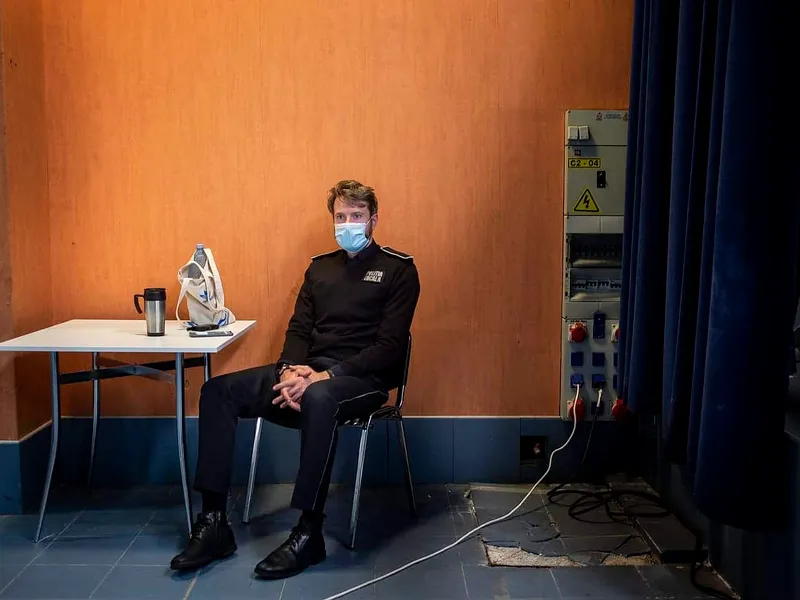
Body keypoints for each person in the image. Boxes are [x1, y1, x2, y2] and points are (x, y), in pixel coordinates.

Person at [170, 180, 421, 579]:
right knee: (217, 391)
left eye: (357, 216)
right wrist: (289, 370)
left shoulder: (398, 269)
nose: (348, 223)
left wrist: (325, 375)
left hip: (362, 379)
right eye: (341, 217)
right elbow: (299, 329)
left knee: (321, 398)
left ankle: (309, 533)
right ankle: (214, 521)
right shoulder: (320, 268)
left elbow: (390, 347)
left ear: (373, 220)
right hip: (307, 372)